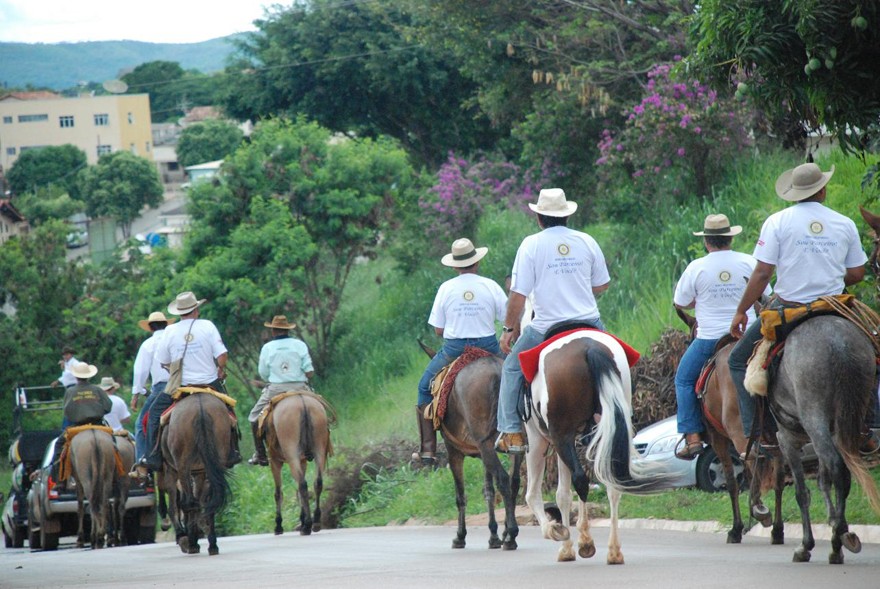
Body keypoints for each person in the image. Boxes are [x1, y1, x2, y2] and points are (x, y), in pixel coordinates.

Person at [728, 162, 878, 453]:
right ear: (822, 190)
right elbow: (857, 273)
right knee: (874, 350)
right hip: (836, 306)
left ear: (794, 193)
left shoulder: (777, 222)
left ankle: (761, 434)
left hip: (790, 307)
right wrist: (828, 275)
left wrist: (740, 310)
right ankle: (867, 426)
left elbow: (762, 273)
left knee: (737, 360)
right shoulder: (844, 223)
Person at [495, 188, 610, 454]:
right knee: (620, 360)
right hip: (590, 322)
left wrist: (508, 330)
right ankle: (624, 416)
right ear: (567, 215)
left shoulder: (531, 244)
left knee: (511, 367)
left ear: (539, 218)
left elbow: (518, 295)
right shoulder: (587, 240)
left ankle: (511, 432)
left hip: (547, 327)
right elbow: (602, 285)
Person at [672, 214, 771, 460]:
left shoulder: (696, 267)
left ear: (707, 241)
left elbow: (680, 302)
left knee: (683, 379)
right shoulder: (748, 261)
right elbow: (766, 296)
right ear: (730, 238)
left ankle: (693, 437)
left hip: (710, 339)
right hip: (748, 337)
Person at [416, 238, 508, 466]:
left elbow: (438, 330)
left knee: (424, 387)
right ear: (477, 262)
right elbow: (507, 319)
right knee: (522, 377)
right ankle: (527, 432)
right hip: (488, 346)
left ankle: (427, 449)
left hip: (455, 349)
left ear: (455, 266)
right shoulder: (490, 285)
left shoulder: (446, 288)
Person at [134, 291, 240, 477]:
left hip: (180, 386)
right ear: (196, 309)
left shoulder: (170, 331)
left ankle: (153, 456)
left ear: (179, 312)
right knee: (230, 413)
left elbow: (163, 361)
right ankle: (232, 451)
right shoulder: (207, 325)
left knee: (153, 416)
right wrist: (220, 369)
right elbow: (222, 355)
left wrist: (173, 370)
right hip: (210, 383)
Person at [247, 315, 315, 466]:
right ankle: (318, 442)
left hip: (276, 388)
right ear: (288, 330)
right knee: (319, 408)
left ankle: (260, 454)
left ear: (273, 331)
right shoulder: (299, 344)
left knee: (253, 417)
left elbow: (263, 373)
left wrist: (273, 377)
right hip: (300, 386)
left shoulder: (267, 348)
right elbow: (309, 370)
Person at [51, 362, 113, 484]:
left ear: (76, 376)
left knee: (59, 445)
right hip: (98, 425)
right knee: (114, 444)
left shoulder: (70, 391)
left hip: (77, 426)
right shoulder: (97, 389)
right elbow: (108, 407)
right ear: (89, 376)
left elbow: (67, 412)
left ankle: (60, 479)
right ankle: (117, 474)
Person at [131, 311, 175, 460]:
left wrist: (136, 394)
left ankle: (143, 461)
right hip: (185, 384)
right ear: (166, 325)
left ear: (150, 328)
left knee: (140, 424)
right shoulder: (175, 339)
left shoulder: (148, 344)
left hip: (162, 388)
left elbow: (140, 371)